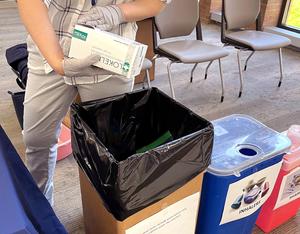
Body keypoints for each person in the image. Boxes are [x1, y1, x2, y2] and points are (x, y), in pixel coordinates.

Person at [17, 0, 171, 205]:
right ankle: (39, 208)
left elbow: (156, 2)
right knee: (36, 140)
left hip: (111, 52)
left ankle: (103, 214)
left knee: (109, 148)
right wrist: (57, 61)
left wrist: (116, 12)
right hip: (50, 42)